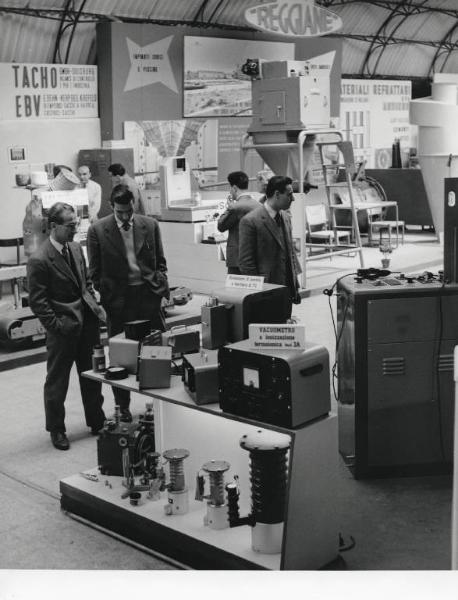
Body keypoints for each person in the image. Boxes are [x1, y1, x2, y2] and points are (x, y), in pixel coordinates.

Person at [27, 202, 107, 450]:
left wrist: (93, 304)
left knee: (92, 376)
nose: (75, 229)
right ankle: (57, 430)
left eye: (76, 224)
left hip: (87, 325)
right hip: (63, 330)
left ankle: (97, 420)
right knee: (57, 381)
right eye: (70, 225)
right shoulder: (40, 260)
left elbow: (86, 283)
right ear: (53, 226)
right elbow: (38, 303)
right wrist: (57, 326)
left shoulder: (75, 248)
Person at [87, 184, 170, 422]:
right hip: (119, 302)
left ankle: (161, 403)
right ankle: (122, 405)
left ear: (134, 205)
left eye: (129, 211)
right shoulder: (98, 230)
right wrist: (108, 296)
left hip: (148, 296)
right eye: (120, 212)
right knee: (121, 357)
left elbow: (161, 262)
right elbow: (95, 271)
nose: (125, 216)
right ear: (112, 206)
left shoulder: (150, 225)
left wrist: (160, 285)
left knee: (158, 351)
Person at [238, 175, 302, 318]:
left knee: (284, 331)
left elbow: (290, 253)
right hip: (265, 292)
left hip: (286, 290)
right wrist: (258, 294)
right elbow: (246, 263)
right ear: (277, 194)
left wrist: (295, 286)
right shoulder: (250, 221)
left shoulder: (285, 217)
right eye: (289, 194)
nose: (293, 199)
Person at [217, 171, 259, 274]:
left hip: (237, 258)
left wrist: (229, 207)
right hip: (255, 256)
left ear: (234, 188)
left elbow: (221, 226)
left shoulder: (235, 207)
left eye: (230, 188)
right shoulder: (259, 205)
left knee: (235, 289)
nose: (230, 192)